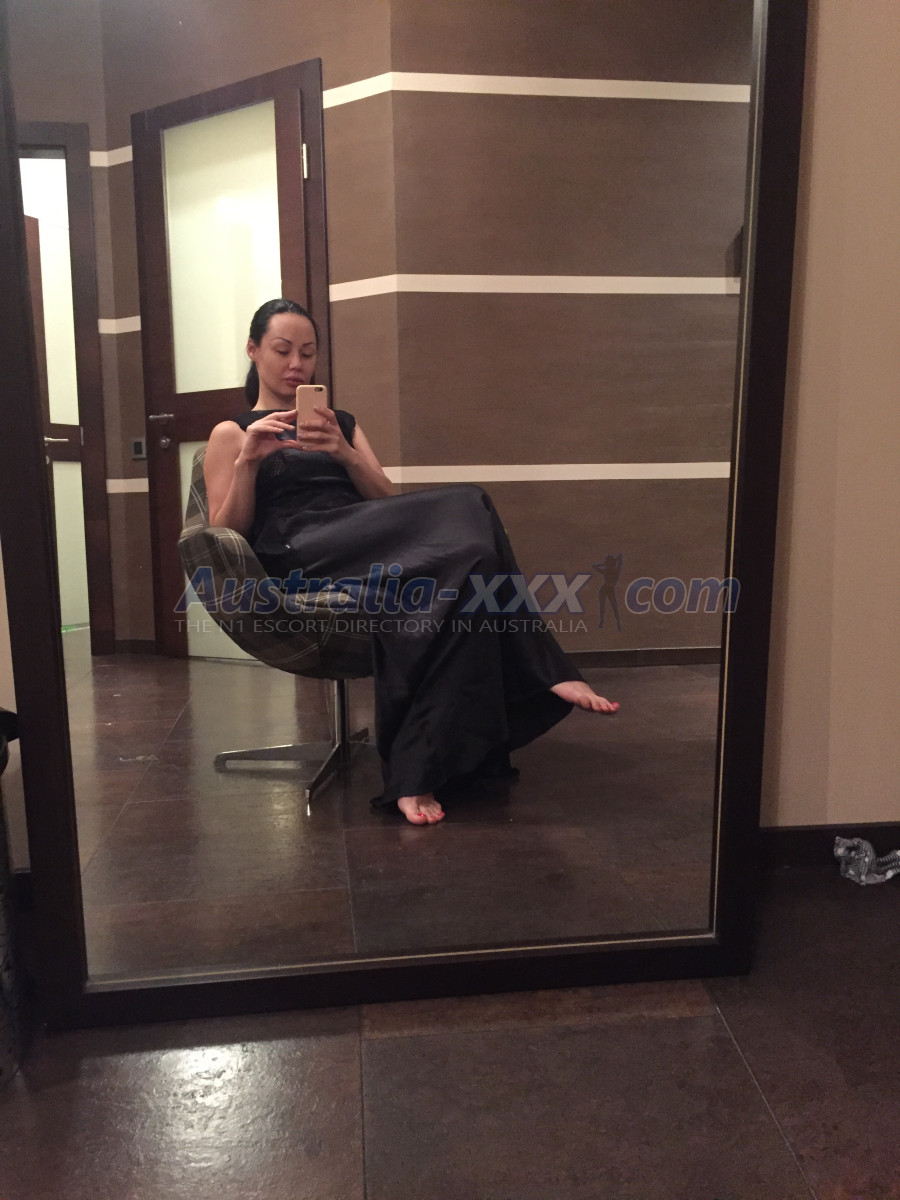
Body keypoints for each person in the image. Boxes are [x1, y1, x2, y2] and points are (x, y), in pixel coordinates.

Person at [204, 299, 619, 826]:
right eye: (282, 350)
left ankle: (416, 771)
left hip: (362, 540)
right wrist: (248, 463)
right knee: (469, 509)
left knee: (471, 551)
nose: (296, 365)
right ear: (253, 350)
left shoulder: (341, 423)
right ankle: (542, 668)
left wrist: (344, 452)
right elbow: (225, 533)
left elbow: (385, 501)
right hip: (299, 549)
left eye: (307, 353)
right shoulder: (232, 432)